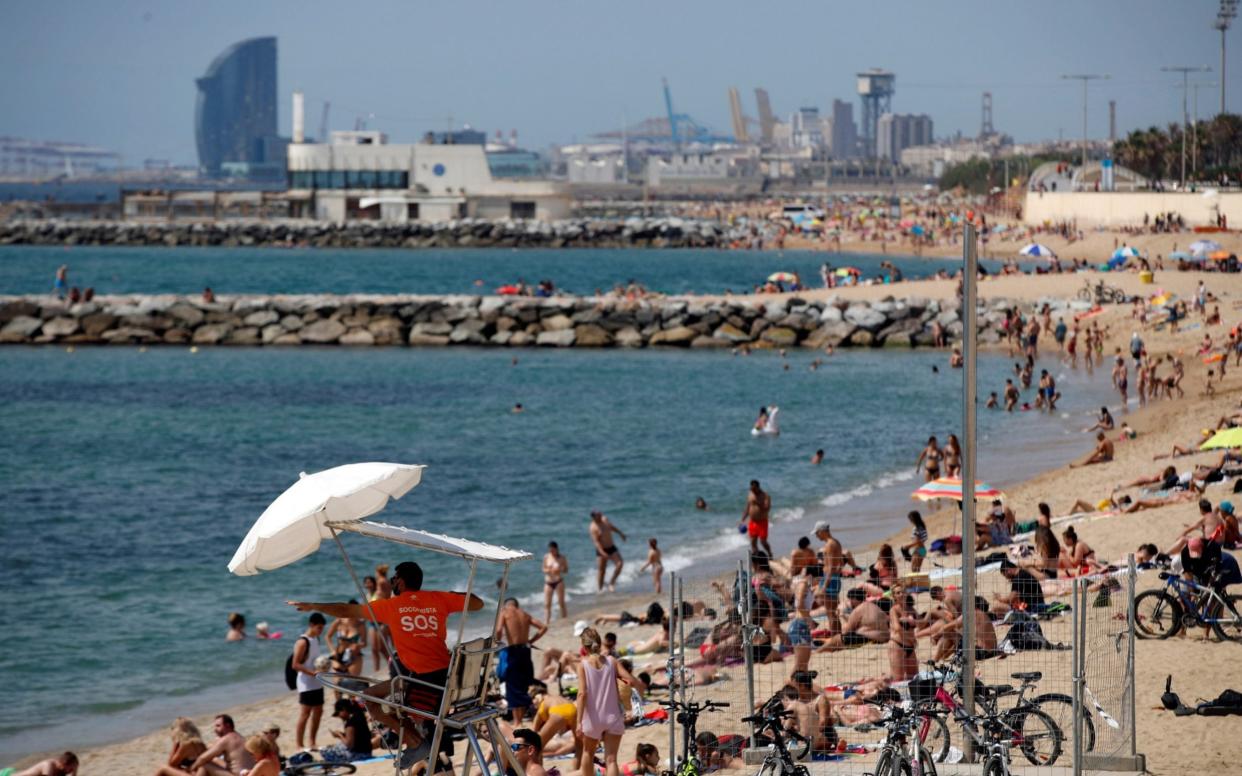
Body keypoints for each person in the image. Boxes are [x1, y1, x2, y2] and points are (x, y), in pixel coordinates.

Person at [288, 561, 485, 766]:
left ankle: (415, 742)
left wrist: (314, 606)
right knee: (388, 692)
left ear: (400, 581)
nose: (392, 583)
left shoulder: (392, 606)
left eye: (394, 579)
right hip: (446, 681)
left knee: (370, 700)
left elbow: (347, 610)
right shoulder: (438, 598)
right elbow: (478, 604)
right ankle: (417, 742)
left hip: (424, 688)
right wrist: (455, 595)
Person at [575, 627, 645, 776]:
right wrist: (636, 696)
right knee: (611, 759)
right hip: (613, 716)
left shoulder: (583, 665)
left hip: (593, 719)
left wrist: (578, 721)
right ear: (600, 643)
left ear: (584, 646)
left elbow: (582, 694)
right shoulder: (611, 661)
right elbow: (632, 680)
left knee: (588, 753)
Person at [497, 598, 548, 725]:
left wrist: (498, 644)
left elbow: (498, 630)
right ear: (516, 605)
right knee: (524, 684)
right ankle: (524, 718)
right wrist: (531, 641)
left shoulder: (504, 612)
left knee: (512, 685)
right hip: (526, 650)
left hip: (513, 651)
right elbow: (543, 627)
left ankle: (517, 721)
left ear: (506, 605)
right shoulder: (524, 614)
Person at [814, 521, 861, 635]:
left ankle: (835, 639)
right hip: (833, 579)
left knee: (831, 613)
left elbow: (830, 567)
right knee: (832, 612)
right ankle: (837, 637)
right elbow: (840, 563)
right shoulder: (836, 542)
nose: (816, 536)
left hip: (830, 580)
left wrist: (824, 586)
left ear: (822, 532)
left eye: (817, 533)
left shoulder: (830, 544)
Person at [290, 613, 326, 751]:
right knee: (305, 713)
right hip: (305, 682)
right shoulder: (302, 642)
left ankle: (312, 742)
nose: (320, 630)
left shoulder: (316, 639)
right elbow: (295, 664)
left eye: (322, 628)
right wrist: (312, 673)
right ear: (311, 625)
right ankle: (299, 745)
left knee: (319, 711)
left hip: (316, 680)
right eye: (319, 627)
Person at [816, 588, 888, 651]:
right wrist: (843, 616)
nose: (850, 602)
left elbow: (847, 631)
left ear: (854, 599)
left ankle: (818, 652)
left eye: (850, 599)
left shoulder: (858, 609)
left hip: (870, 639)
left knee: (837, 639)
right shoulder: (874, 606)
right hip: (883, 638)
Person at [187, 715, 255, 776]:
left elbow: (203, 758)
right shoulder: (239, 737)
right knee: (215, 759)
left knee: (205, 765)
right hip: (247, 773)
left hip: (237, 774)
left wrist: (191, 768)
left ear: (227, 725)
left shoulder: (227, 739)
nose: (215, 729)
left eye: (218, 726)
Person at [590, 510, 628, 592]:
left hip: (611, 547)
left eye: (600, 514)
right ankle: (600, 590)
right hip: (601, 550)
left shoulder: (605, 520)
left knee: (620, 563)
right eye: (598, 515)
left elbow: (612, 527)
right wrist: (603, 553)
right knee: (601, 570)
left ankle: (612, 582)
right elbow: (596, 543)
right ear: (594, 517)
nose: (600, 516)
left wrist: (621, 534)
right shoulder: (593, 528)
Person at [739, 479, 773, 558]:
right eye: (751, 489)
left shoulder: (765, 496)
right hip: (753, 522)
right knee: (753, 542)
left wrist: (758, 503)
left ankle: (770, 553)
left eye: (754, 489)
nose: (752, 490)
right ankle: (757, 558)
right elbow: (747, 508)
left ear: (758, 487)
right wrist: (742, 519)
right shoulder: (750, 494)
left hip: (762, 522)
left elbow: (767, 508)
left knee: (763, 541)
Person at [542, 541, 569, 623]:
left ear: (557, 549)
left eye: (553, 550)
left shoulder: (562, 558)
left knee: (561, 602)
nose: (552, 552)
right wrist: (550, 570)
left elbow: (566, 570)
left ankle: (564, 619)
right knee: (547, 604)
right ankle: (547, 621)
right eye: (550, 550)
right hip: (548, 582)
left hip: (558, 581)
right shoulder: (546, 557)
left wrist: (560, 569)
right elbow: (543, 569)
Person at [10, 753, 78, 776]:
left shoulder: (61, 769)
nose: (71, 771)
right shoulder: (48, 765)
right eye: (71, 769)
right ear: (64, 764)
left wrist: (75, 772)